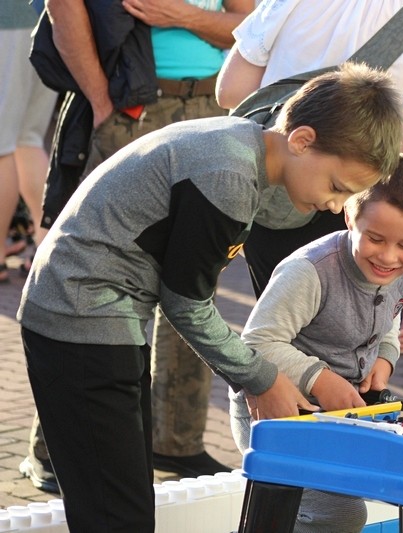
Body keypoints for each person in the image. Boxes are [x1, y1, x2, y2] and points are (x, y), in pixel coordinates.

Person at [17, 63, 403, 533]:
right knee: (115, 514)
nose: (332, 205)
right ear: (301, 140)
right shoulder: (229, 177)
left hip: (102, 319)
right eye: (336, 188)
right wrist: (261, 377)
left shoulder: (243, 145)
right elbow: (185, 303)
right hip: (80, 316)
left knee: (125, 502)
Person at [22, 0, 256, 488]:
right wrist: (103, 106)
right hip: (133, 103)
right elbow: (64, 9)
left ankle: (177, 443)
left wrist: (181, 15)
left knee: (195, 279)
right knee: (105, 277)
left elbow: (248, 27)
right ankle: (52, 449)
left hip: (211, 107)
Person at [216, 0, 403, 353]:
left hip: (276, 198)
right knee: (346, 361)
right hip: (362, 217)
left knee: (273, 339)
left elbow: (231, 91)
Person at [230, 155, 403, 532]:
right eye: (375, 239)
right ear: (348, 217)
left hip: (339, 415)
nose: (389, 257)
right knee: (338, 514)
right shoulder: (310, 271)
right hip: (276, 411)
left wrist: (385, 356)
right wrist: (321, 379)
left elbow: (390, 312)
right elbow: (257, 342)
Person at [0, 0, 57, 283]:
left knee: (4, 144)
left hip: (9, 15)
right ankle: (46, 244)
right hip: (48, 16)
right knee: (27, 139)